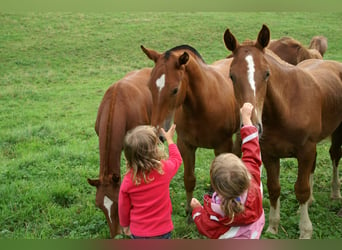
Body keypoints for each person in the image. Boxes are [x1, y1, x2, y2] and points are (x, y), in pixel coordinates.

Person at [190, 102, 265, 239]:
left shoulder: (215, 212)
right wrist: (247, 120)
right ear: (244, 171)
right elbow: (252, 152)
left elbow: (205, 226)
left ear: (216, 187)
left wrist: (197, 210)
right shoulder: (253, 181)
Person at [118, 124, 182, 239]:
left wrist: (125, 225)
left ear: (128, 156)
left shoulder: (129, 180)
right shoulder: (164, 170)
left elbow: (123, 207)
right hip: (163, 230)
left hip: (138, 232)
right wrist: (170, 140)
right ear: (155, 150)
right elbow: (177, 159)